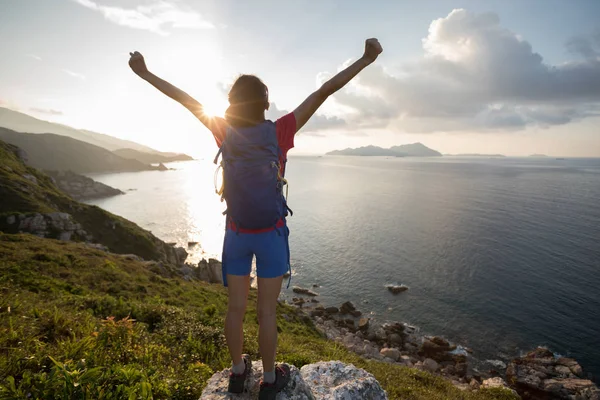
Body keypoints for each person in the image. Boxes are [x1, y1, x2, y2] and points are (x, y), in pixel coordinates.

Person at [128, 38, 382, 399]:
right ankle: (268, 380)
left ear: (231, 103)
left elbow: (185, 100)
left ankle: (236, 372)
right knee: (267, 313)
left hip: (237, 232)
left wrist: (145, 73)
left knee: (235, 308)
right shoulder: (281, 131)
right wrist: (365, 59)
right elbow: (326, 90)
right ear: (265, 103)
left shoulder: (223, 130)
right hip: (272, 234)